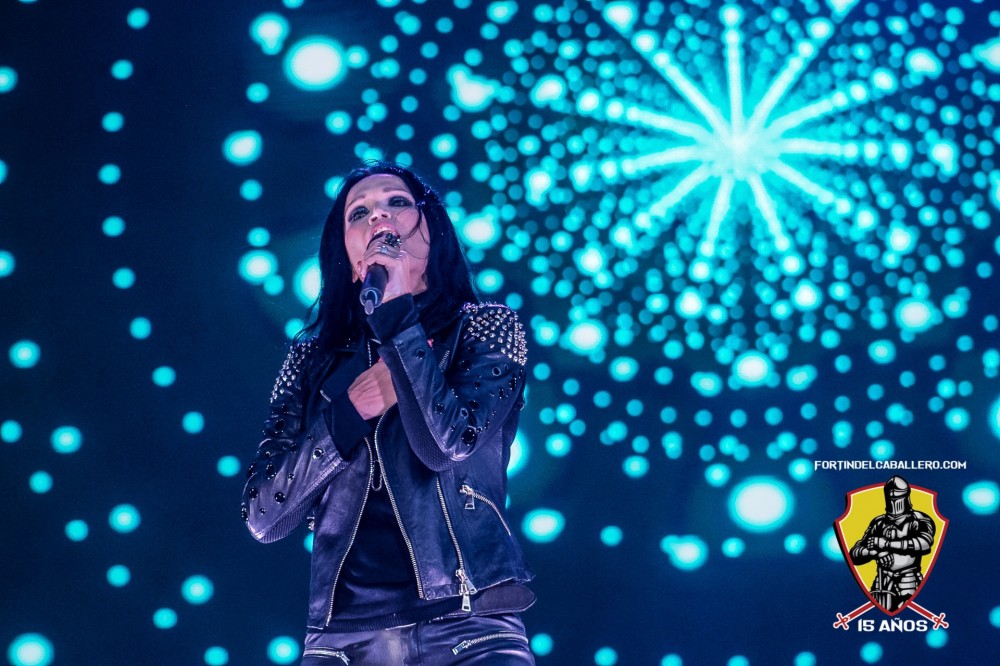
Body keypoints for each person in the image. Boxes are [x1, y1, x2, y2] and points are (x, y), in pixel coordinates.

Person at [242, 161, 536, 664]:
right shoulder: (310, 360)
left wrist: (399, 322)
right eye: (359, 213)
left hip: (469, 630)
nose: (379, 216)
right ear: (347, 253)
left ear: (431, 230)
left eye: (396, 202)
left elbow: (447, 447)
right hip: (342, 643)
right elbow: (263, 515)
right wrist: (351, 411)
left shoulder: (488, 328)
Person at [849, 476, 935, 612]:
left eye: (898, 497)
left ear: (906, 497)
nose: (894, 502)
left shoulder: (918, 520)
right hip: (882, 581)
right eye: (891, 498)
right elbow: (854, 553)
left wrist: (886, 544)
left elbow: (924, 543)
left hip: (908, 581)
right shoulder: (878, 523)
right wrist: (875, 553)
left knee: (910, 612)